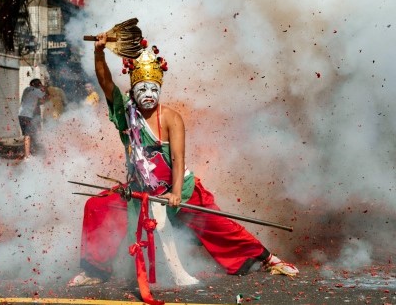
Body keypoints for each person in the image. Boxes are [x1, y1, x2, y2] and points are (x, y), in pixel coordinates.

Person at [68, 31, 298, 287]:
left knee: (217, 224)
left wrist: (176, 192)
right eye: (142, 88)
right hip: (140, 192)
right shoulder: (126, 114)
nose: (148, 94)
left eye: (153, 89)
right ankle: (95, 271)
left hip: (180, 190)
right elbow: (106, 83)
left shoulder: (171, 118)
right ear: (132, 89)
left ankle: (267, 259)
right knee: (98, 206)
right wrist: (99, 52)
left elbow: (178, 158)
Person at [18, 78, 46, 158]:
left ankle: (29, 152)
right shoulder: (37, 91)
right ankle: (27, 156)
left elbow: (30, 100)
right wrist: (43, 88)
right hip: (28, 115)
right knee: (28, 135)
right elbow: (44, 99)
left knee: (27, 134)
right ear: (38, 85)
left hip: (21, 114)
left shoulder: (26, 89)